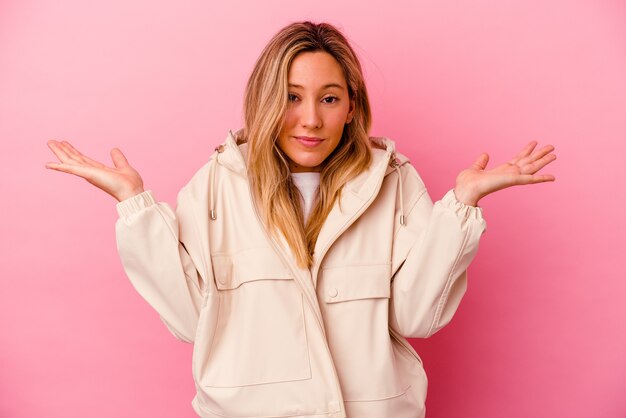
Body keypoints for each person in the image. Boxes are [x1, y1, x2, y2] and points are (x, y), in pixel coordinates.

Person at [45, 21, 556, 418]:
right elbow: (187, 322)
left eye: (328, 98)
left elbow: (417, 317)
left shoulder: (394, 182)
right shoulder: (217, 184)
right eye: (291, 97)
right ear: (265, 101)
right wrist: (134, 206)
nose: (310, 118)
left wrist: (460, 207)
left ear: (352, 107)